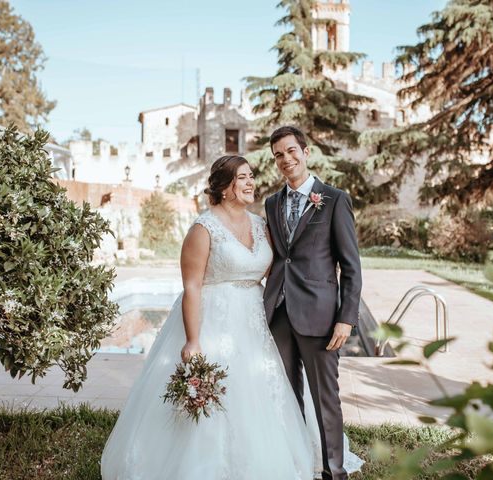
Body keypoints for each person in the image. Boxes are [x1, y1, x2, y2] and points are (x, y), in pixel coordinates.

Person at [101, 155, 362, 479]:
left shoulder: (259, 223)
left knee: (263, 389)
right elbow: (193, 287)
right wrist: (194, 340)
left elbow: (280, 270)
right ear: (224, 187)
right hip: (213, 320)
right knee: (219, 395)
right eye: (243, 177)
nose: (251, 182)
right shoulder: (203, 228)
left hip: (254, 320)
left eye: (251, 176)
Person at [263, 126, 363, 480]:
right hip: (279, 314)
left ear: (306, 152)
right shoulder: (271, 203)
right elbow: (280, 258)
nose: (286, 159)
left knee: (325, 399)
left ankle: (334, 472)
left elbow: (350, 265)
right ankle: (296, 468)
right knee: (288, 398)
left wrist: (346, 318)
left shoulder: (334, 199)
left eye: (291, 151)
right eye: (278, 155)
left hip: (320, 316)